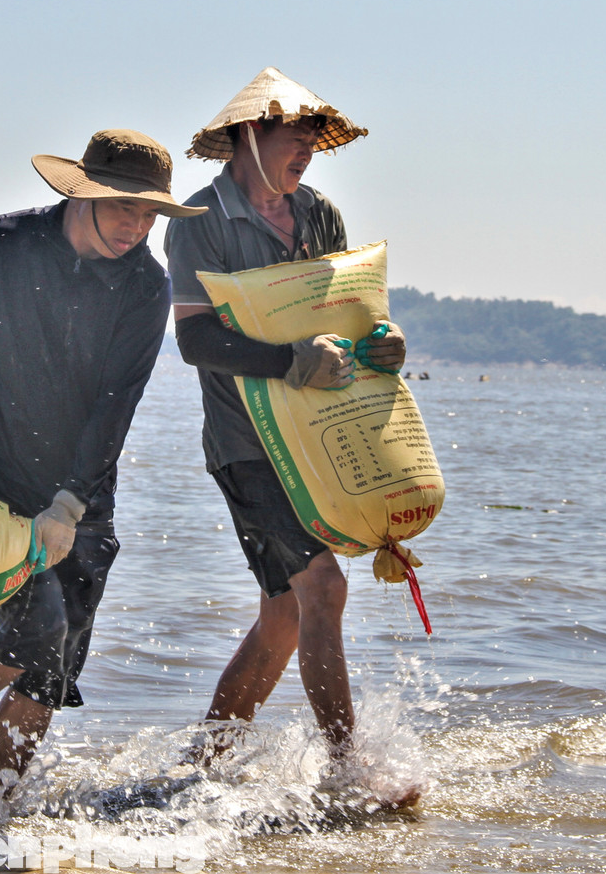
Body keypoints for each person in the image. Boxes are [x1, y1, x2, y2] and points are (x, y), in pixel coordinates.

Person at [0, 129, 205, 814]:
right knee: (37, 628)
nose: (136, 225)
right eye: (123, 206)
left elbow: (113, 404)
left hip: (84, 491)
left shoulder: (146, 285)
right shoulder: (0, 244)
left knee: (56, 662)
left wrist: (69, 505)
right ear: (82, 193)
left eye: (150, 212)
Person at [164, 68, 409, 781]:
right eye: (293, 138)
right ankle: (347, 771)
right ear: (249, 133)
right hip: (246, 446)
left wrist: (386, 339)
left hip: (316, 441)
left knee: (284, 613)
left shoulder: (321, 214)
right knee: (323, 589)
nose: (305, 152)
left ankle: (201, 766)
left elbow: (347, 314)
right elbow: (194, 341)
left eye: (312, 141)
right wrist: (288, 362)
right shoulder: (200, 222)